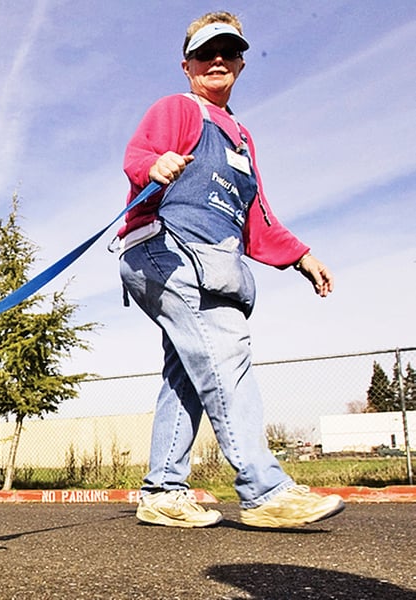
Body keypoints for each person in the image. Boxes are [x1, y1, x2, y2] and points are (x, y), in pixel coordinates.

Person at [115, 11, 344, 528]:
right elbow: (139, 152)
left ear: (240, 62)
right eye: (204, 53)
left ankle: (164, 492)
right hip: (165, 252)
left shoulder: (241, 137)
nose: (216, 60)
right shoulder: (179, 108)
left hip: (215, 259)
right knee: (225, 350)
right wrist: (153, 166)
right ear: (187, 65)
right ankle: (265, 490)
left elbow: (257, 217)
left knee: (190, 372)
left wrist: (301, 256)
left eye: (228, 51)